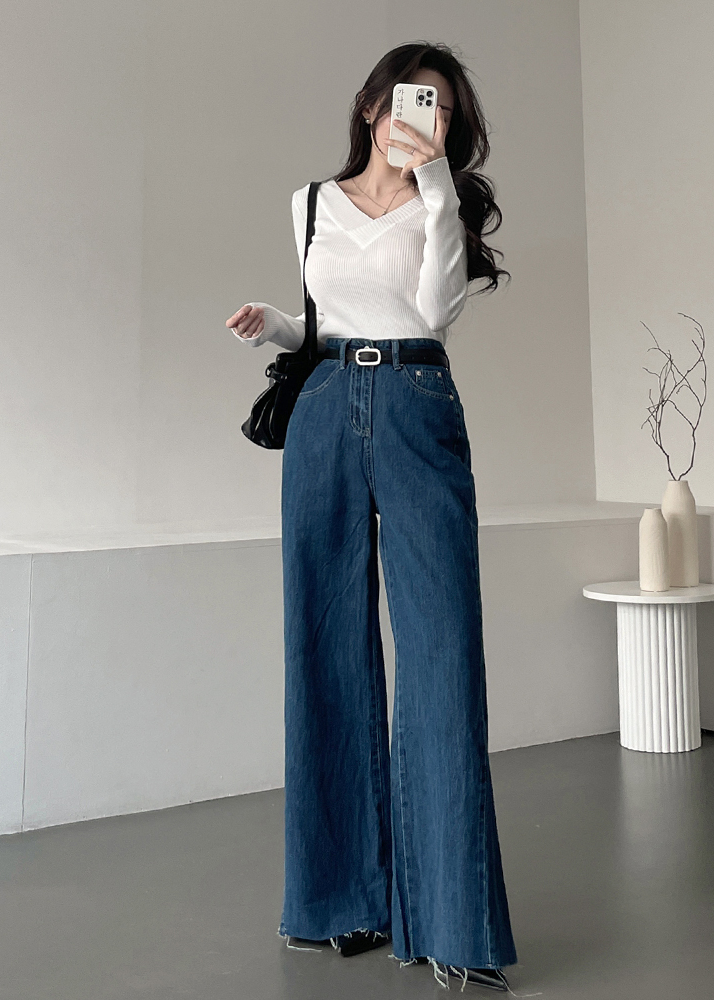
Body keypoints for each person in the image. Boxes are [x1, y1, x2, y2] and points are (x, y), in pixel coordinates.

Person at [226, 42, 518, 993]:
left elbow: (432, 310)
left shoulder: (445, 202)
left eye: (441, 109)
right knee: (322, 641)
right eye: (408, 100)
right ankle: (339, 900)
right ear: (369, 106)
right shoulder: (311, 201)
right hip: (322, 409)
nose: (420, 117)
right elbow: (324, 320)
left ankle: (453, 925)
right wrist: (274, 324)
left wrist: (436, 187)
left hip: (416, 401)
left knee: (441, 647)